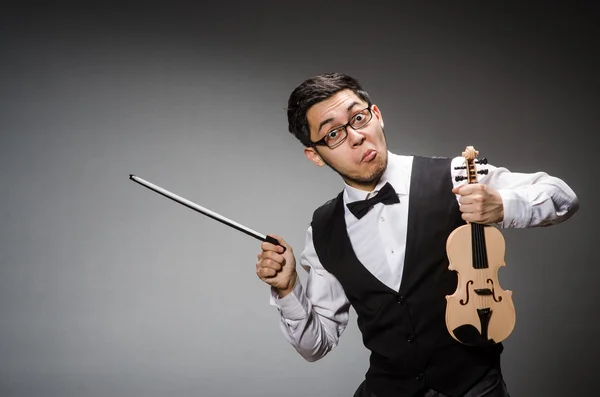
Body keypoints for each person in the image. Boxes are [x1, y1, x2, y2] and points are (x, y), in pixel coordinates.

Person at [255, 73, 579, 397]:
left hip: (474, 388)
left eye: (358, 117)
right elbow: (316, 345)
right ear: (315, 155)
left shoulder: (455, 175)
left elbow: (563, 197)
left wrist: (503, 206)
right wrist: (288, 290)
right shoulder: (323, 230)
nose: (356, 136)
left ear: (377, 116)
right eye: (334, 133)